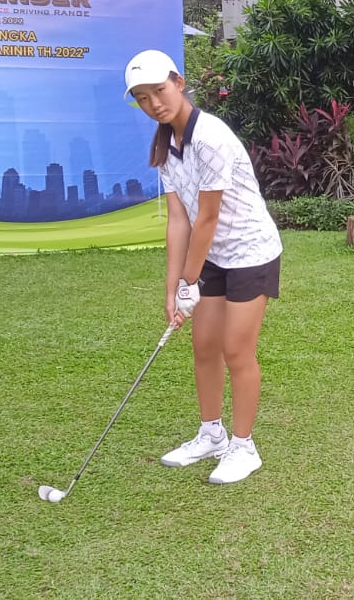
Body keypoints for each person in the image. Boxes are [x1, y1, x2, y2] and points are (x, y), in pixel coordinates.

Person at [124, 49, 283, 485]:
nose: (154, 103)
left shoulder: (210, 135)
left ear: (178, 83)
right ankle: (212, 434)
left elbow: (208, 218)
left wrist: (190, 281)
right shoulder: (166, 148)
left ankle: (244, 446)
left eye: (159, 90)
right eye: (142, 97)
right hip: (210, 253)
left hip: (250, 250)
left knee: (236, 350)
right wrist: (173, 288)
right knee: (204, 346)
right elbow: (179, 221)